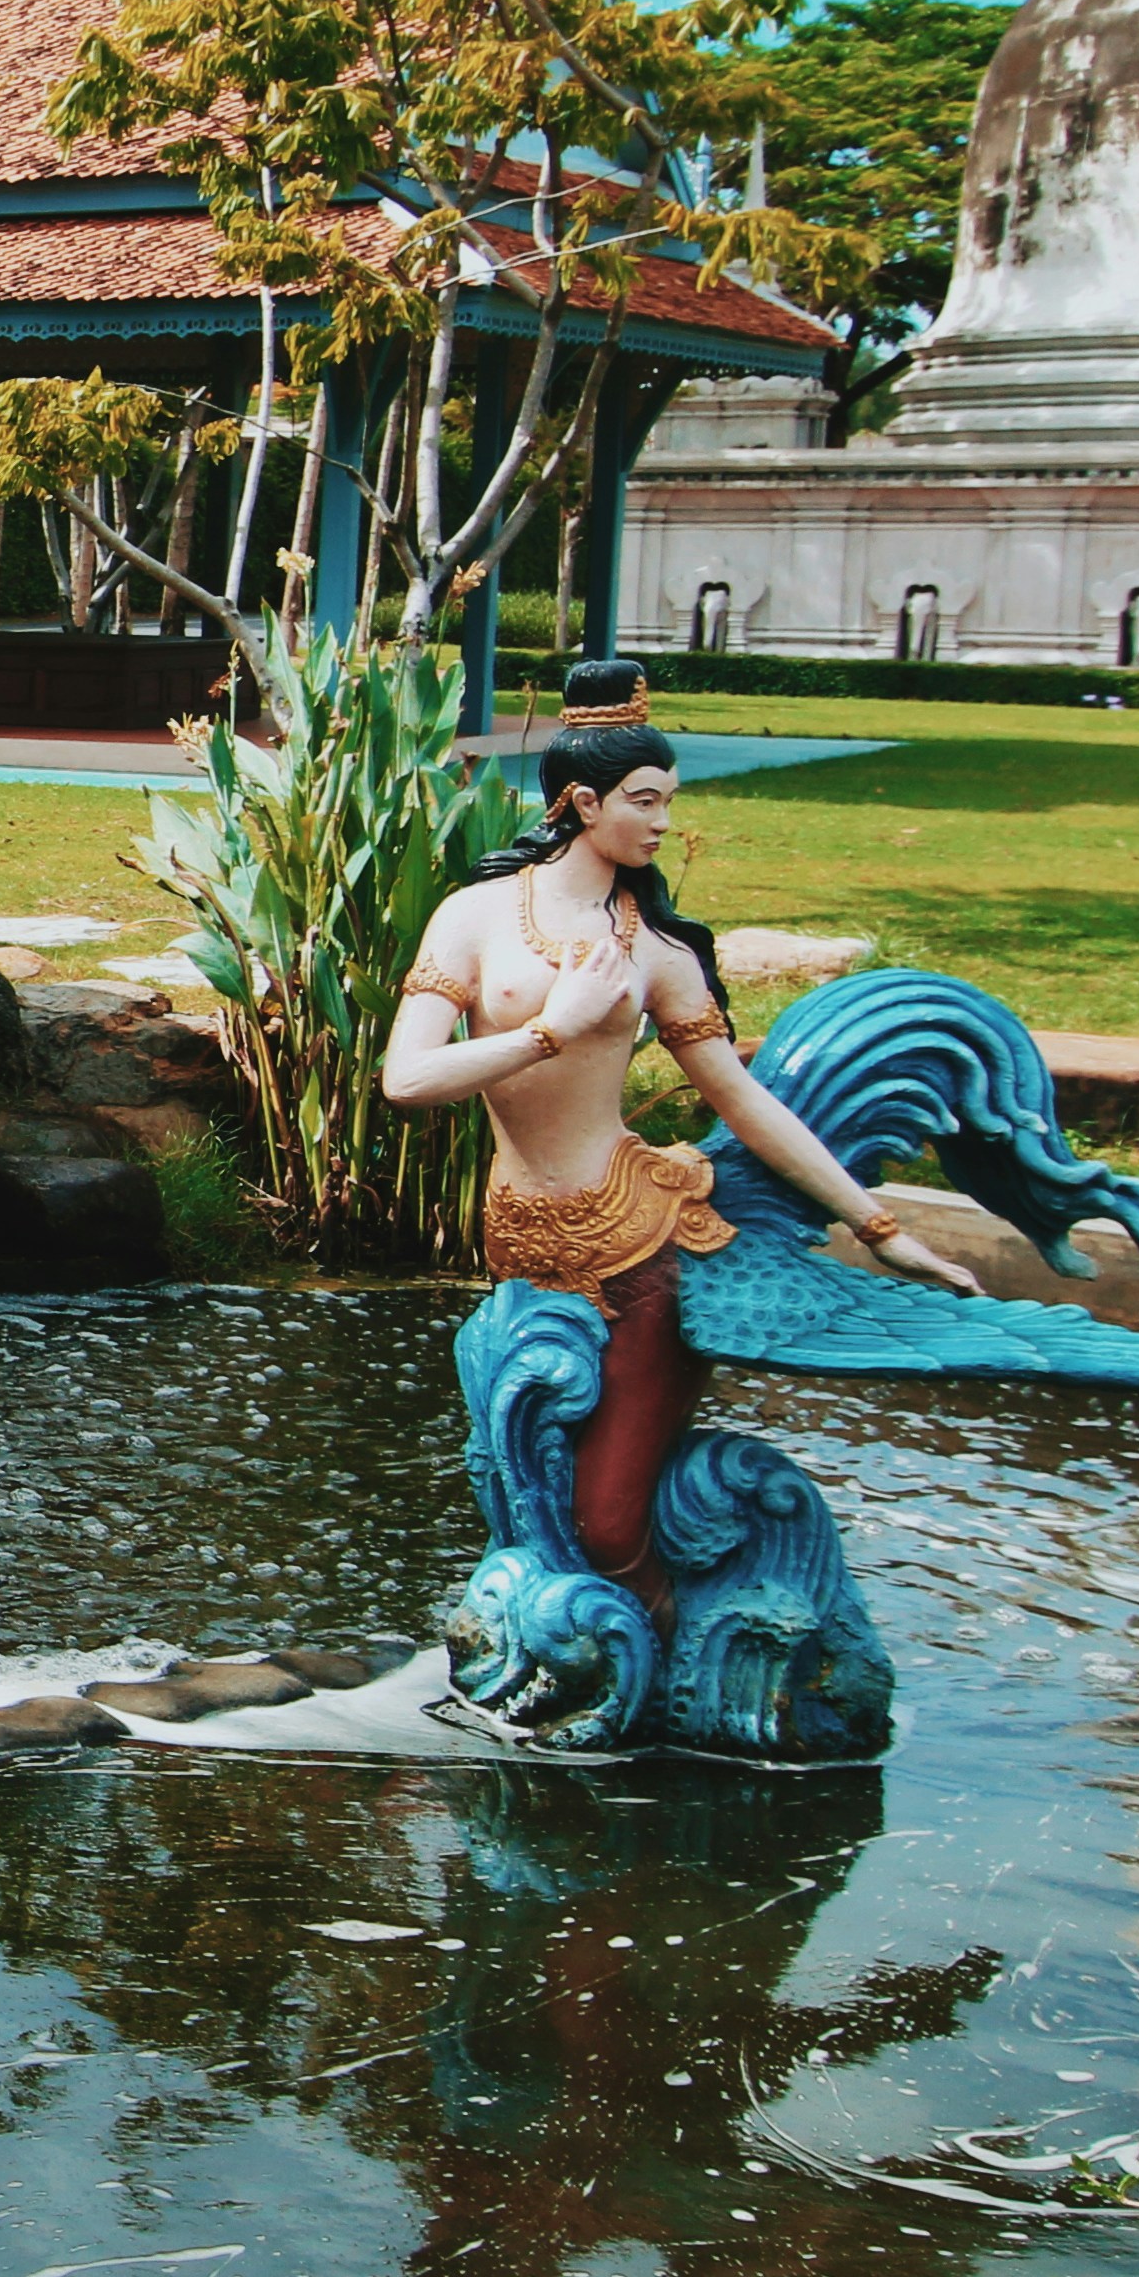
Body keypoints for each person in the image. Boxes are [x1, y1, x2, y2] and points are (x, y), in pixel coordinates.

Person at [380, 664, 984, 1604]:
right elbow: (406, 1080)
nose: (663, 822)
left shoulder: (656, 952)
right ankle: (576, 1671)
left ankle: (665, 1676)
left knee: (606, 1521)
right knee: (525, 1488)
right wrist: (552, 1029)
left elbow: (743, 1103)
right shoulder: (477, 915)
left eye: (669, 800)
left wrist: (880, 1229)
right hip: (517, 1238)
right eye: (645, 800)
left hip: (635, 1245)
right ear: (583, 802)